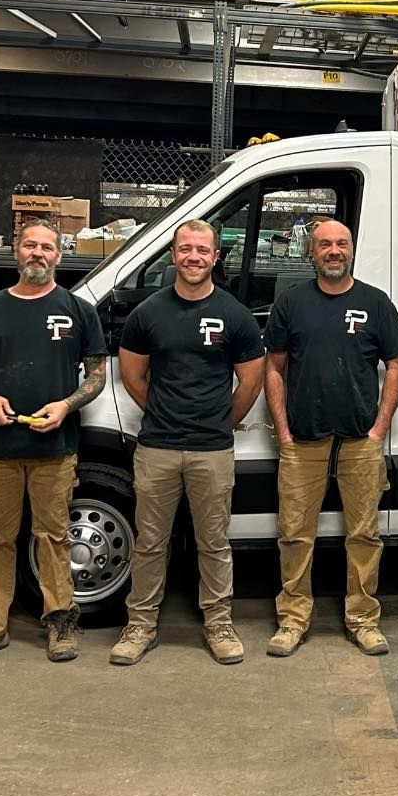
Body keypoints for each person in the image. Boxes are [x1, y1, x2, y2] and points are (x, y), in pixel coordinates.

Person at [0, 221, 106, 664]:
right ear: (17, 252)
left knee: (54, 536)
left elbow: (97, 375)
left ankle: (60, 623)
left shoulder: (78, 309)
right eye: (30, 245)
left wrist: (67, 406)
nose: (38, 253)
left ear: (60, 255)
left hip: (55, 448)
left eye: (47, 247)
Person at [109, 219, 265, 666]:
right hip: (157, 445)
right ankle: (140, 624)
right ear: (173, 255)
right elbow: (133, 375)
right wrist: (163, 411)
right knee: (150, 542)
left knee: (213, 542)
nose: (193, 257)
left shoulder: (234, 314)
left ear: (216, 257)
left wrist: (219, 421)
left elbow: (250, 381)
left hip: (212, 449)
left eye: (202, 250)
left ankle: (218, 623)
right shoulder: (148, 313)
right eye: (185, 249)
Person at [264, 219, 398, 657]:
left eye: (341, 244)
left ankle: (363, 619)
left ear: (351, 250)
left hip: (361, 442)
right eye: (324, 244)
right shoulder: (291, 303)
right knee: (294, 534)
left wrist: (380, 428)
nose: (333, 251)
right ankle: (292, 620)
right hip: (302, 439)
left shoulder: (375, 303)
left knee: (364, 534)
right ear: (311, 252)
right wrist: (284, 433)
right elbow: (274, 368)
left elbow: (397, 366)